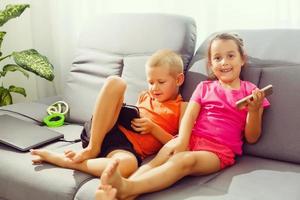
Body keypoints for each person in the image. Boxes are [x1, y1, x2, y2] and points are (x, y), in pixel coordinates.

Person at [97, 32, 271, 200]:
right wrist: (181, 141)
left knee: (184, 161)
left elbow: (252, 137)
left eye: (230, 56)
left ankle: (127, 188)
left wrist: (254, 111)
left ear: (242, 58)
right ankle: (118, 192)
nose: (224, 62)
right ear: (211, 63)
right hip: (189, 138)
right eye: (217, 58)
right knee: (155, 162)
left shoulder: (252, 92)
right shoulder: (204, 87)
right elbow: (189, 116)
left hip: (218, 151)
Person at [30, 49, 187, 179]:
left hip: (124, 148)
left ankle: (64, 161)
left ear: (179, 79)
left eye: (161, 82)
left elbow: (180, 144)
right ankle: (92, 148)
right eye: (151, 82)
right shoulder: (145, 96)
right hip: (104, 130)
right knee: (116, 82)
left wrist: (153, 129)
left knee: (127, 166)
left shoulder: (183, 107)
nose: (154, 88)